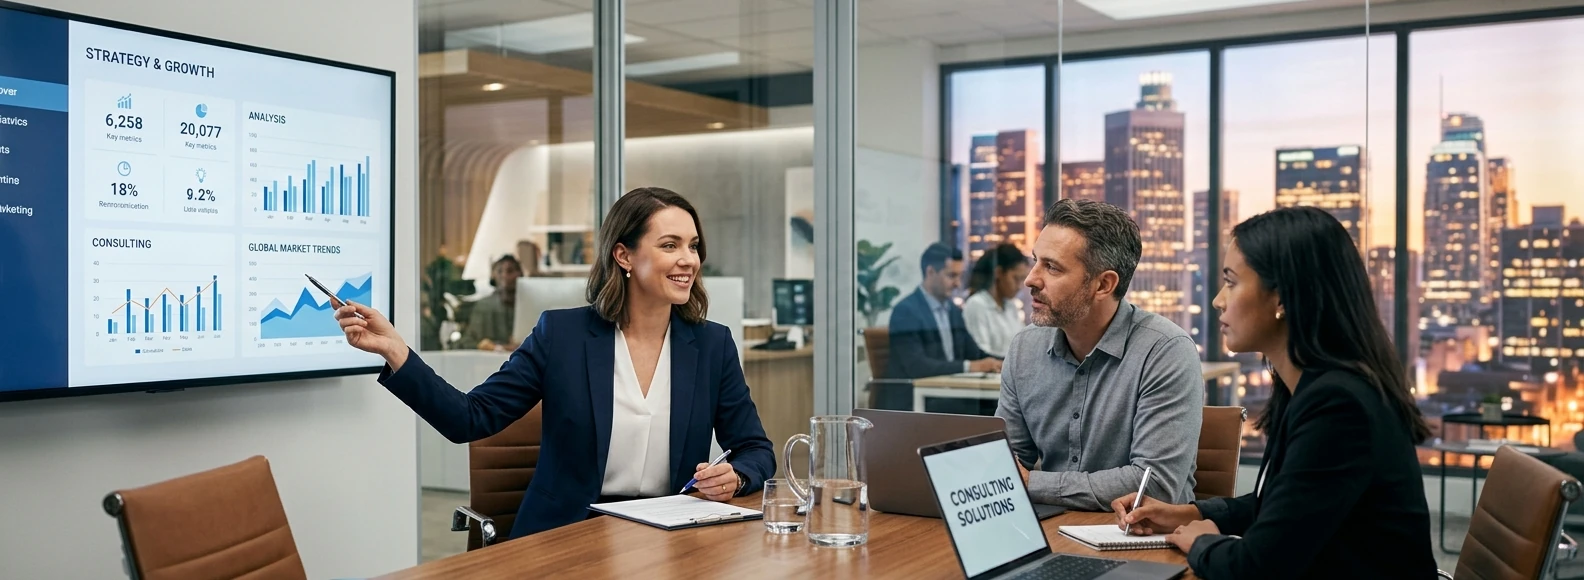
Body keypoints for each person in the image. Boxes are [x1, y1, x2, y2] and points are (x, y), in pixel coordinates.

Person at [335, 187, 775, 539]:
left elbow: (756, 449)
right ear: (623, 256)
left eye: (693, 246)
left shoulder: (712, 344)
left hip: (670, 537)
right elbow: (468, 418)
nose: (688, 260)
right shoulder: (561, 337)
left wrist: (735, 477)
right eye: (669, 245)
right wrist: (396, 351)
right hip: (569, 535)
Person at [1111, 206, 1437, 578]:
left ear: (1282, 298)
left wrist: (1201, 542)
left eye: (1231, 281)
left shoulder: (1338, 405)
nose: (1219, 300)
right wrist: (1193, 513)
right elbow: (1286, 507)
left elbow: (1259, 568)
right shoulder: (1312, 385)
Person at [998, 199, 1202, 511]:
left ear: (1104, 284)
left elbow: (1155, 485)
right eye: (1036, 261)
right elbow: (1002, 465)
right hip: (1049, 530)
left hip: (1139, 539)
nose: (1031, 279)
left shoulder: (1165, 350)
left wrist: (1032, 483)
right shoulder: (1024, 348)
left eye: (1051, 267)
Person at [885, 243, 1001, 380]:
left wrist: (1005, 363)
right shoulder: (906, 312)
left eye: (960, 276)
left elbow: (974, 353)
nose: (958, 284)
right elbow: (917, 366)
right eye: (952, 276)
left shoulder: (953, 311)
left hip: (950, 391)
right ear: (930, 272)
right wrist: (969, 367)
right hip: (918, 396)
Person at [962, 243, 1031, 358]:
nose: (1019, 286)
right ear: (998, 273)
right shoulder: (977, 305)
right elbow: (982, 353)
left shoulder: (1011, 306)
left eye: (1022, 279)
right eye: (1016, 278)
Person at [462, 254, 521, 351]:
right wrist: (495, 347)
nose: (505, 275)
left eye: (510, 271)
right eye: (500, 271)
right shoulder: (484, 306)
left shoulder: (529, 305)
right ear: (493, 275)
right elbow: (467, 342)